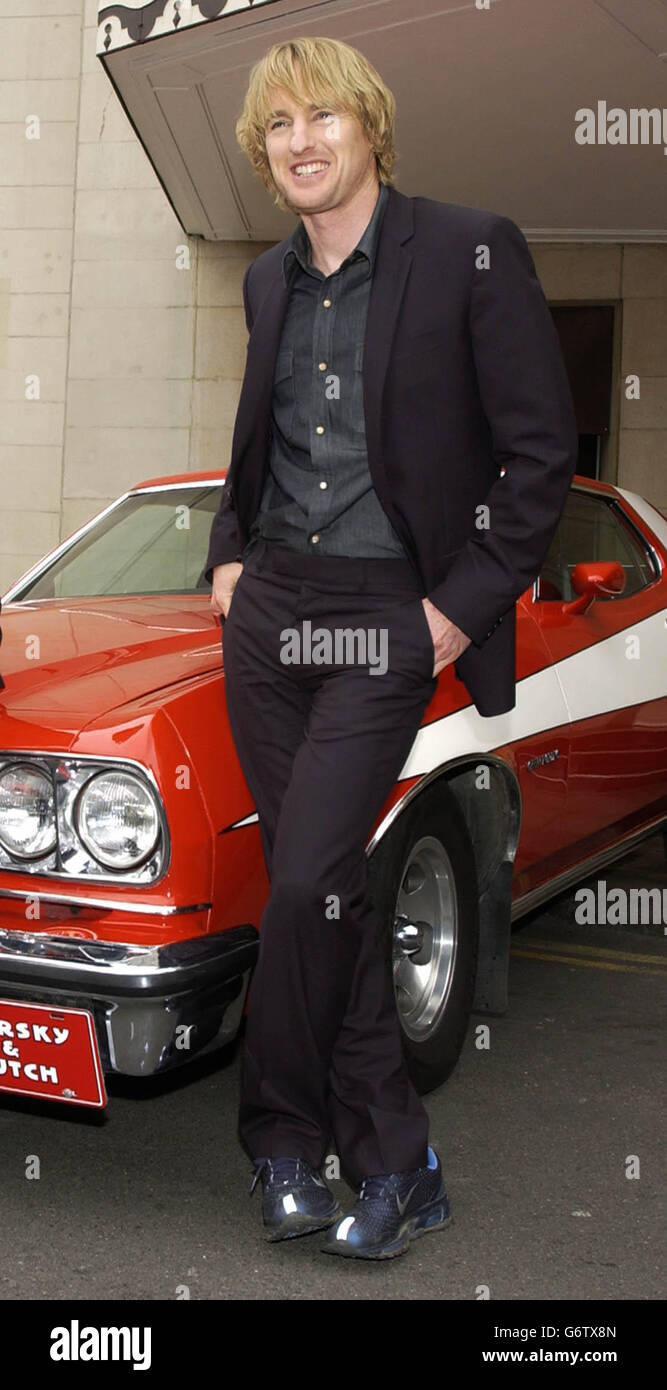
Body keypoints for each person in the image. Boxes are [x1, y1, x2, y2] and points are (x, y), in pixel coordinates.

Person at [204, 36, 578, 1260]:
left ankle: (278, 1135)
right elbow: (252, 438)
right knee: (328, 888)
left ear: (369, 126)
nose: (300, 141)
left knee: (310, 870)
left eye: (322, 117)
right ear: (264, 155)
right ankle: (396, 1161)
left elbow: (539, 458)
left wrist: (452, 610)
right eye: (277, 127)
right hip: (269, 618)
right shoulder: (268, 283)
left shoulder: (469, 249)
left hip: (387, 615)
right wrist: (226, 551)